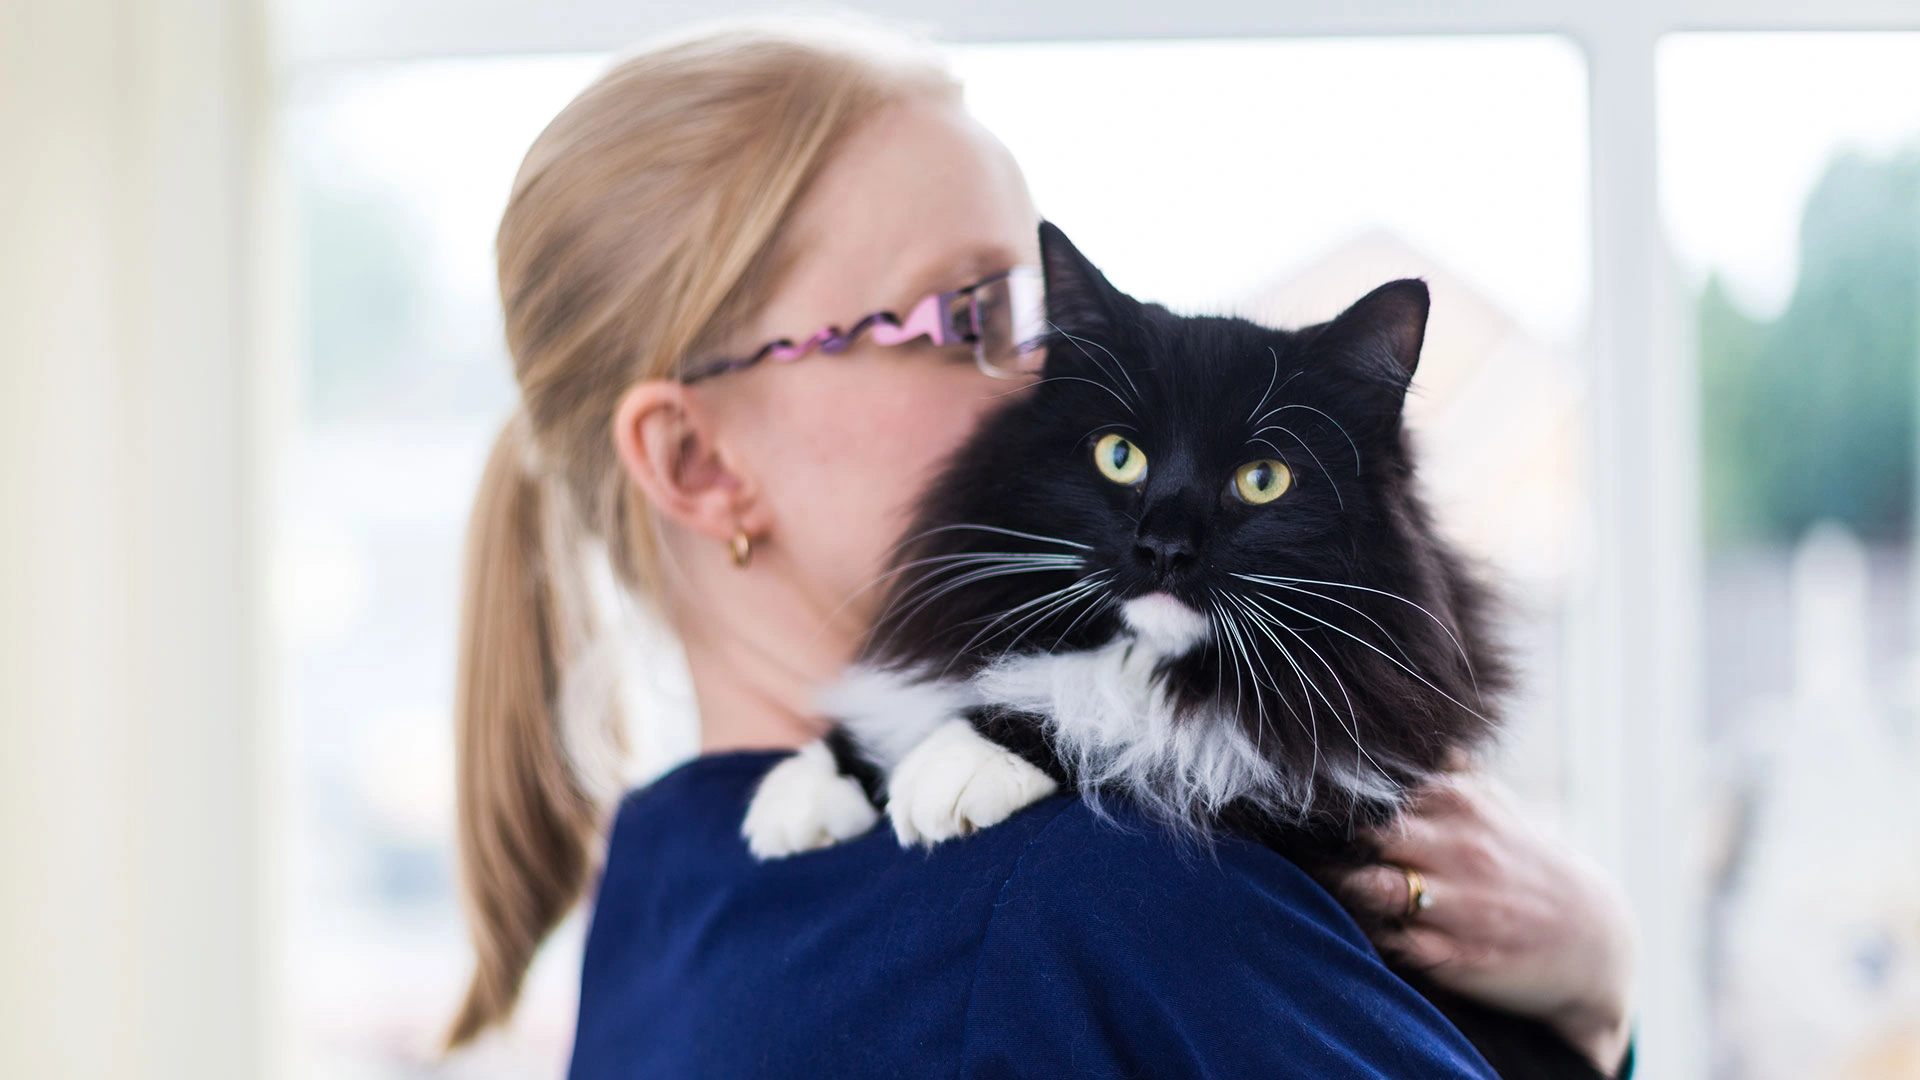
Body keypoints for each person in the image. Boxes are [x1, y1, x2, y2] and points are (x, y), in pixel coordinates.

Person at [444, 21, 1636, 1077]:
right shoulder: (1103, 903)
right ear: (699, 463)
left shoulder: (661, 874)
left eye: (1032, 314)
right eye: (963, 317)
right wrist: (1599, 1002)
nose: (1050, 378)